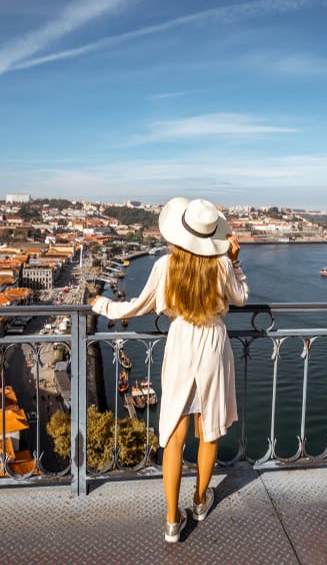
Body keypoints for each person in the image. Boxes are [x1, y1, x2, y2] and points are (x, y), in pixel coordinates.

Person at [91, 197, 248, 542]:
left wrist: (101, 304)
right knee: (209, 430)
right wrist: (235, 262)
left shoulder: (165, 266)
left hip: (181, 343)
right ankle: (200, 500)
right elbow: (242, 297)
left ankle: (172, 521)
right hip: (213, 343)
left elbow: (137, 306)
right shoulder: (221, 265)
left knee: (174, 437)